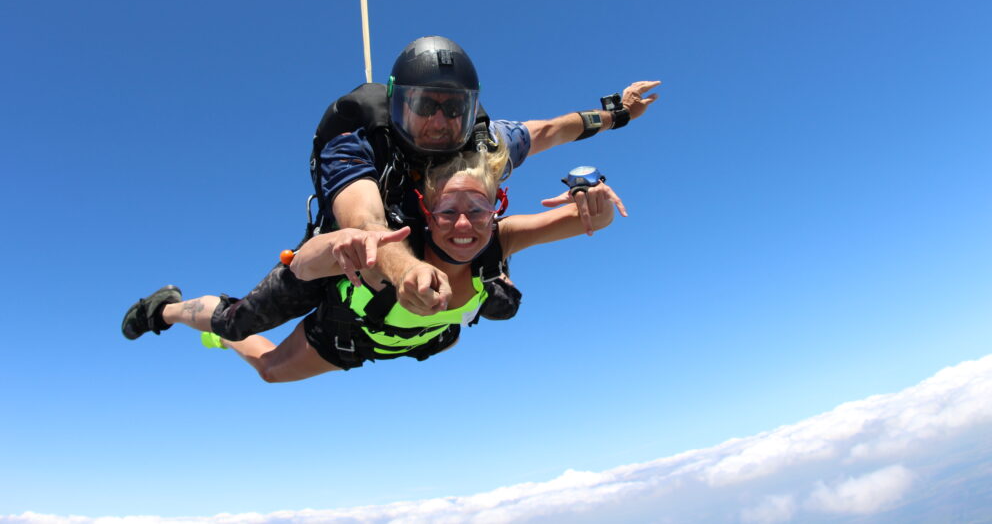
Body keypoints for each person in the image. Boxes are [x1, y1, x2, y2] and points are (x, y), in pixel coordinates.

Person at [122, 149, 624, 382]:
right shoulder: (389, 244)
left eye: (479, 210)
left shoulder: (500, 240)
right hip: (349, 333)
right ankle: (168, 310)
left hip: (418, 341)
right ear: (426, 211)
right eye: (448, 212)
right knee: (269, 369)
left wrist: (593, 203)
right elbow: (312, 262)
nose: (465, 226)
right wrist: (355, 246)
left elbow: (592, 223)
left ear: (496, 210)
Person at [310, 36, 660, 316]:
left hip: (445, 259)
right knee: (278, 303)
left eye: (453, 108)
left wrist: (618, 115)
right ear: (396, 103)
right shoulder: (360, 142)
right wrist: (401, 269)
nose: (439, 122)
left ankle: (488, 276)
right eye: (423, 106)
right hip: (355, 255)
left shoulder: (485, 148)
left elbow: (551, 130)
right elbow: (364, 220)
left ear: (470, 110)